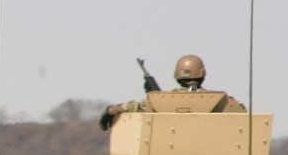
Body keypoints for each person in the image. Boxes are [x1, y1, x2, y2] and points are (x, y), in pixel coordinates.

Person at [99, 54, 246, 131]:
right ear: (203, 75)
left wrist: (110, 110)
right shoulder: (223, 101)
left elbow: (133, 107)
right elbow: (242, 115)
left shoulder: (160, 101)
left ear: (177, 77)